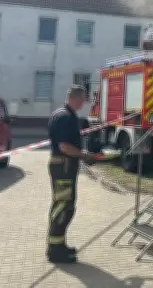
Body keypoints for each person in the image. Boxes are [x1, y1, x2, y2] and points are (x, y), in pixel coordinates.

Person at [46, 85, 97, 264]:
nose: (84, 102)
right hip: (64, 166)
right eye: (83, 99)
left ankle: (59, 245)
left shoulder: (60, 113)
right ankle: (55, 251)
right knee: (64, 207)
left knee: (62, 205)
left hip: (62, 165)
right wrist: (85, 155)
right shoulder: (65, 117)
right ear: (76, 98)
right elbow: (64, 146)